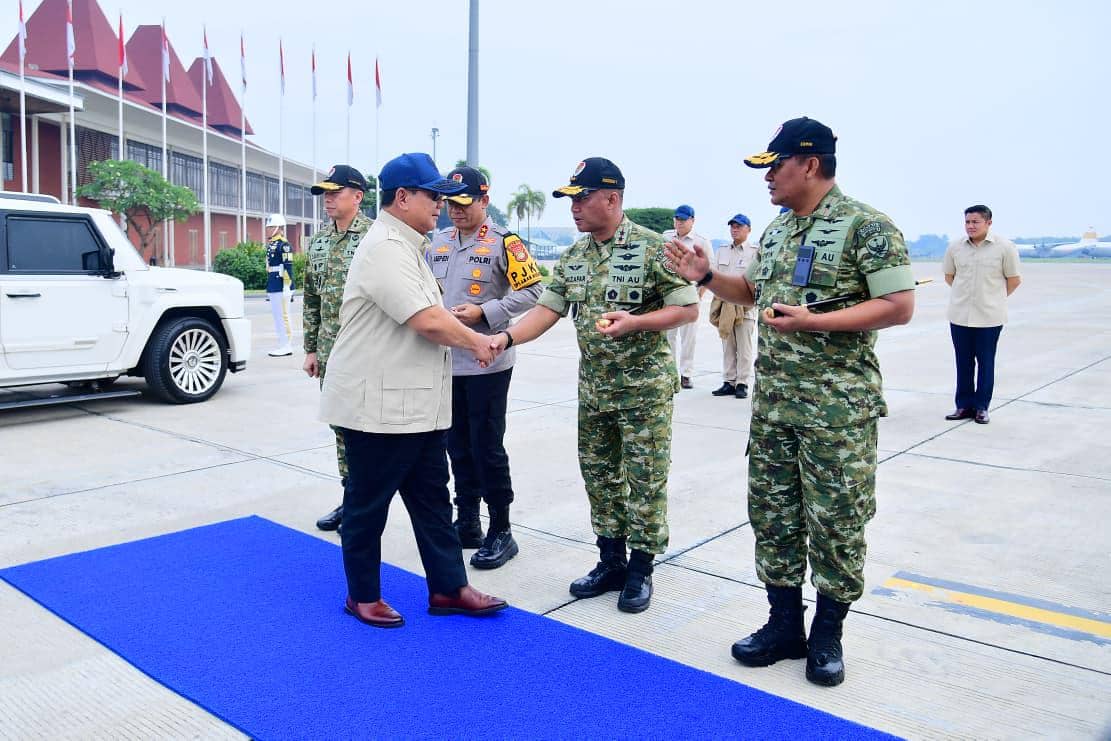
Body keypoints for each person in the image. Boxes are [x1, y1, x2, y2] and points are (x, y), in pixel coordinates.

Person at [665, 117, 915, 686]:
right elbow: (752, 293)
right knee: (773, 516)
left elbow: (899, 304)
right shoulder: (776, 230)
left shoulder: (866, 226)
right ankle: (784, 625)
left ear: (809, 163)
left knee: (837, 522)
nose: (768, 177)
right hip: (774, 406)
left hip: (836, 413)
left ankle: (827, 634)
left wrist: (817, 320)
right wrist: (706, 277)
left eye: (774, 166)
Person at [489, 157, 699, 613]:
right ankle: (611, 561)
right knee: (601, 476)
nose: (575, 208)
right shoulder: (574, 255)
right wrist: (504, 337)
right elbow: (546, 310)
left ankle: (641, 568)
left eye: (582, 198)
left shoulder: (652, 248)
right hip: (595, 389)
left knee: (645, 479)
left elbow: (686, 308)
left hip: (643, 391)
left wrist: (637, 323)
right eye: (572, 199)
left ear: (612, 198)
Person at [319, 152, 508, 627]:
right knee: (367, 503)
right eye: (433, 195)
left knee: (431, 500)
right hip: (378, 406)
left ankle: (447, 588)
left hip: (414, 404)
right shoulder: (385, 246)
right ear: (402, 197)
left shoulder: (409, 245)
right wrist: (480, 343)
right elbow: (427, 320)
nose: (441, 205)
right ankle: (362, 595)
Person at [428, 166, 543, 569]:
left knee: (487, 447)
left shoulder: (504, 243)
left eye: (464, 203)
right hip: (446, 362)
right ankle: (469, 522)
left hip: (487, 362)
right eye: (450, 203)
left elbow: (534, 290)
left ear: (484, 201)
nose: (455, 211)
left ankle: (501, 529)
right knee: (456, 446)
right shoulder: (437, 241)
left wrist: (486, 311)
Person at [302, 165, 373, 533]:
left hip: (366, 353)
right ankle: (351, 499)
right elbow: (311, 298)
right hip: (331, 355)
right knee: (340, 429)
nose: (328, 199)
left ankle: (363, 503)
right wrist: (311, 348)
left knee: (364, 432)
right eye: (325, 193)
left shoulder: (375, 238)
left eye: (335, 192)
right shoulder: (317, 242)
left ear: (358, 196)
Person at [942, 205, 1021, 425]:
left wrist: (993, 298)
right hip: (959, 315)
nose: (970, 226)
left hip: (989, 317)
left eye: (975, 222)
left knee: (986, 362)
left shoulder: (1005, 247)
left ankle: (981, 408)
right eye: (967, 222)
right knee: (963, 362)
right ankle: (964, 405)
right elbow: (950, 276)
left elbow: (1014, 279)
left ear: (989, 223)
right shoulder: (955, 247)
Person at [709, 214, 759, 399]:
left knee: (744, 346)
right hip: (725, 304)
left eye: (739, 226)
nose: (735, 229)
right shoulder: (722, 250)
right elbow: (715, 274)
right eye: (732, 226)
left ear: (749, 229)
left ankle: (742, 382)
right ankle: (729, 381)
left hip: (745, 306)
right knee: (727, 344)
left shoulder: (754, 251)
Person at [662, 205, 710, 389]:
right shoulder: (666, 237)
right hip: (669, 294)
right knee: (669, 336)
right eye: (676, 219)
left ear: (692, 220)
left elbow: (708, 271)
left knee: (689, 338)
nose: (679, 223)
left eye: (683, 220)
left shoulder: (701, 242)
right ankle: (671, 371)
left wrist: (700, 295)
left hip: (690, 294)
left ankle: (686, 373)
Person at [265, 214, 295, 357]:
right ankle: (282, 343)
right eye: (268, 227)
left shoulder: (284, 245)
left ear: (278, 228)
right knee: (277, 316)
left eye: (271, 227)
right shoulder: (271, 244)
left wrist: (287, 286)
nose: (268, 229)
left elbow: (288, 267)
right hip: (273, 283)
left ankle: (287, 345)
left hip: (282, 284)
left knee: (284, 316)